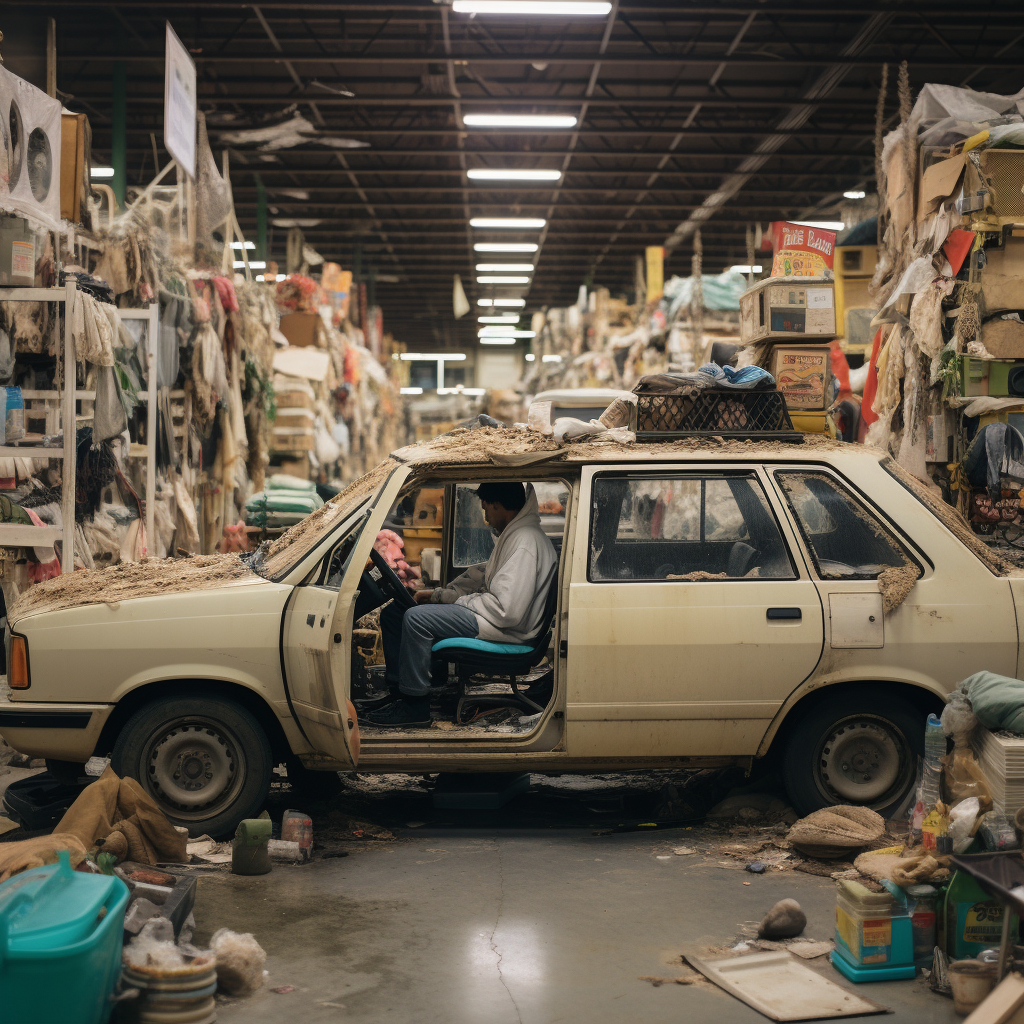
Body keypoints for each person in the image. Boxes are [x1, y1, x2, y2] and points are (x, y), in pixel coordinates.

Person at [365, 481, 558, 728]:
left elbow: (507, 610)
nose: (486, 517)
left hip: (507, 629)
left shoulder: (525, 541)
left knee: (417, 618)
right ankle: (401, 693)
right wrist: (438, 595)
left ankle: (415, 707)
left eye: (486, 508)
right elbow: (485, 578)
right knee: (395, 613)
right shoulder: (515, 535)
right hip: (495, 618)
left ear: (498, 505)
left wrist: (459, 601)